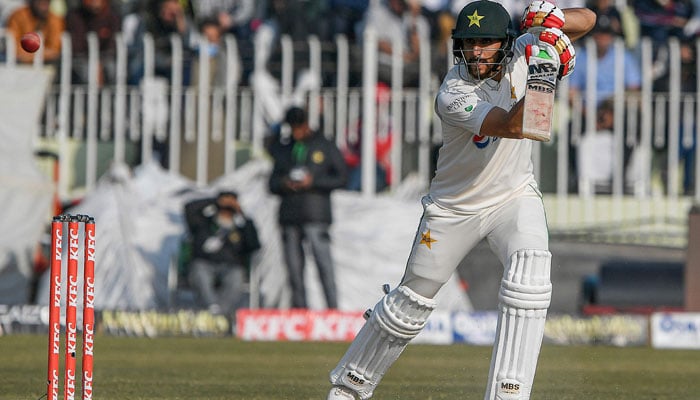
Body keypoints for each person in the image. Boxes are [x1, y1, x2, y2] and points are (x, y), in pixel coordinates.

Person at [326, 2, 595, 400]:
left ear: (506, 42)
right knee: (410, 302)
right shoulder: (453, 92)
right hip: (453, 209)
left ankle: (509, 392)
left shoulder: (524, 48)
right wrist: (545, 72)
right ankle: (350, 386)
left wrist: (550, 23)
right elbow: (520, 126)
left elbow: (588, 20)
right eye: (469, 43)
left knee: (530, 278)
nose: (476, 52)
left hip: (514, 196)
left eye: (485, 43)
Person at [268, 106, 348, 309]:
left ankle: (332, 310)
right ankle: (300, 311)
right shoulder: (284, 149)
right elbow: (272, 183)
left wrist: (313, 182)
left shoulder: (324, 145)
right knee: (294, 269)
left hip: (316, 214)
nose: (296, 132)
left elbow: (341, 177)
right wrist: (285, 183)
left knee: (323, 264)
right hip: (289, 216)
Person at [184, 190, 261, 316]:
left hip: (230, 265)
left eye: (230, 207)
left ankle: (219, 314)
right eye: (224, 207)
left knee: (236, 278)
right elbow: (189, 208)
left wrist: (242, 215)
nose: (227, 211)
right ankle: (213, 308)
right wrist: (215, 201)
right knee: (200, 274)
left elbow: (254, 244)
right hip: (204, 263)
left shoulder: (240, 227)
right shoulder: (204, 223)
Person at [65, 0, 121, 85]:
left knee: (113, 71)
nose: (95, 2)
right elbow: (77, 47)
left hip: (106, 57)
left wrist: (99, 64)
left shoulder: (113, 15)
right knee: (87, 73)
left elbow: (113, 46)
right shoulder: (75, 16)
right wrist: (95, 64)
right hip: (82, 58)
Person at [5, 0, 64, 65]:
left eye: (47, 1)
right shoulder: (18, 16)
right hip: (18, 65)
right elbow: (12, 47)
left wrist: (29, 56)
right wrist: (39, 54)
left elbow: (54, 51)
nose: (44, 4)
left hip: (46, 65)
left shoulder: (55, 20)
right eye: (40, 2)